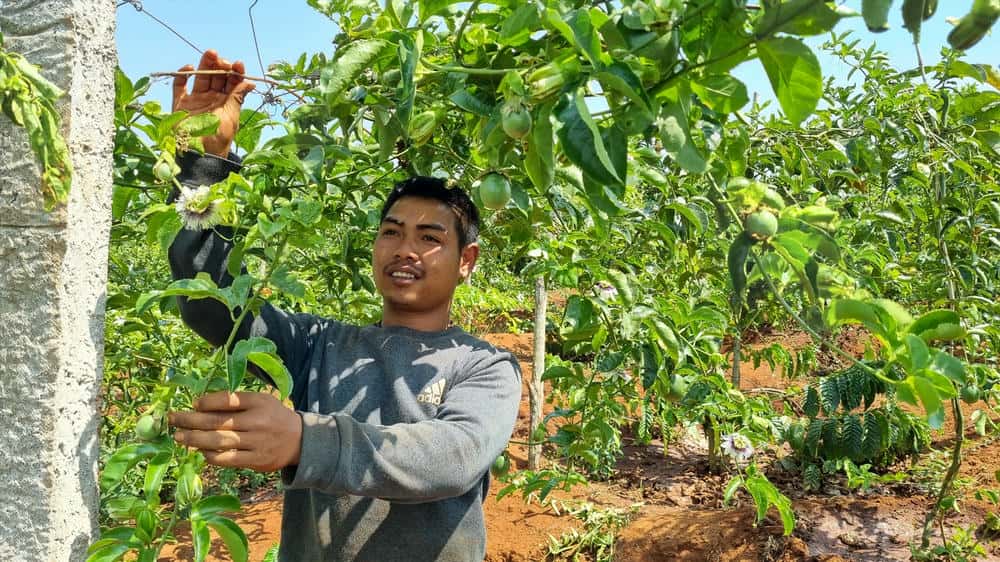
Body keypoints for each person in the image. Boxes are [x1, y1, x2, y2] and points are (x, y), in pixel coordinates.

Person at [165, 49, 522, 562]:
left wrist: (305, 441)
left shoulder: (485, 366)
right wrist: (204, 168)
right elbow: (214, 306)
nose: (405, 249)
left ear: (466, 260)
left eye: (429, 237)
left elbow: (453, 458)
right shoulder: (319, 345)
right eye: (392, 232)